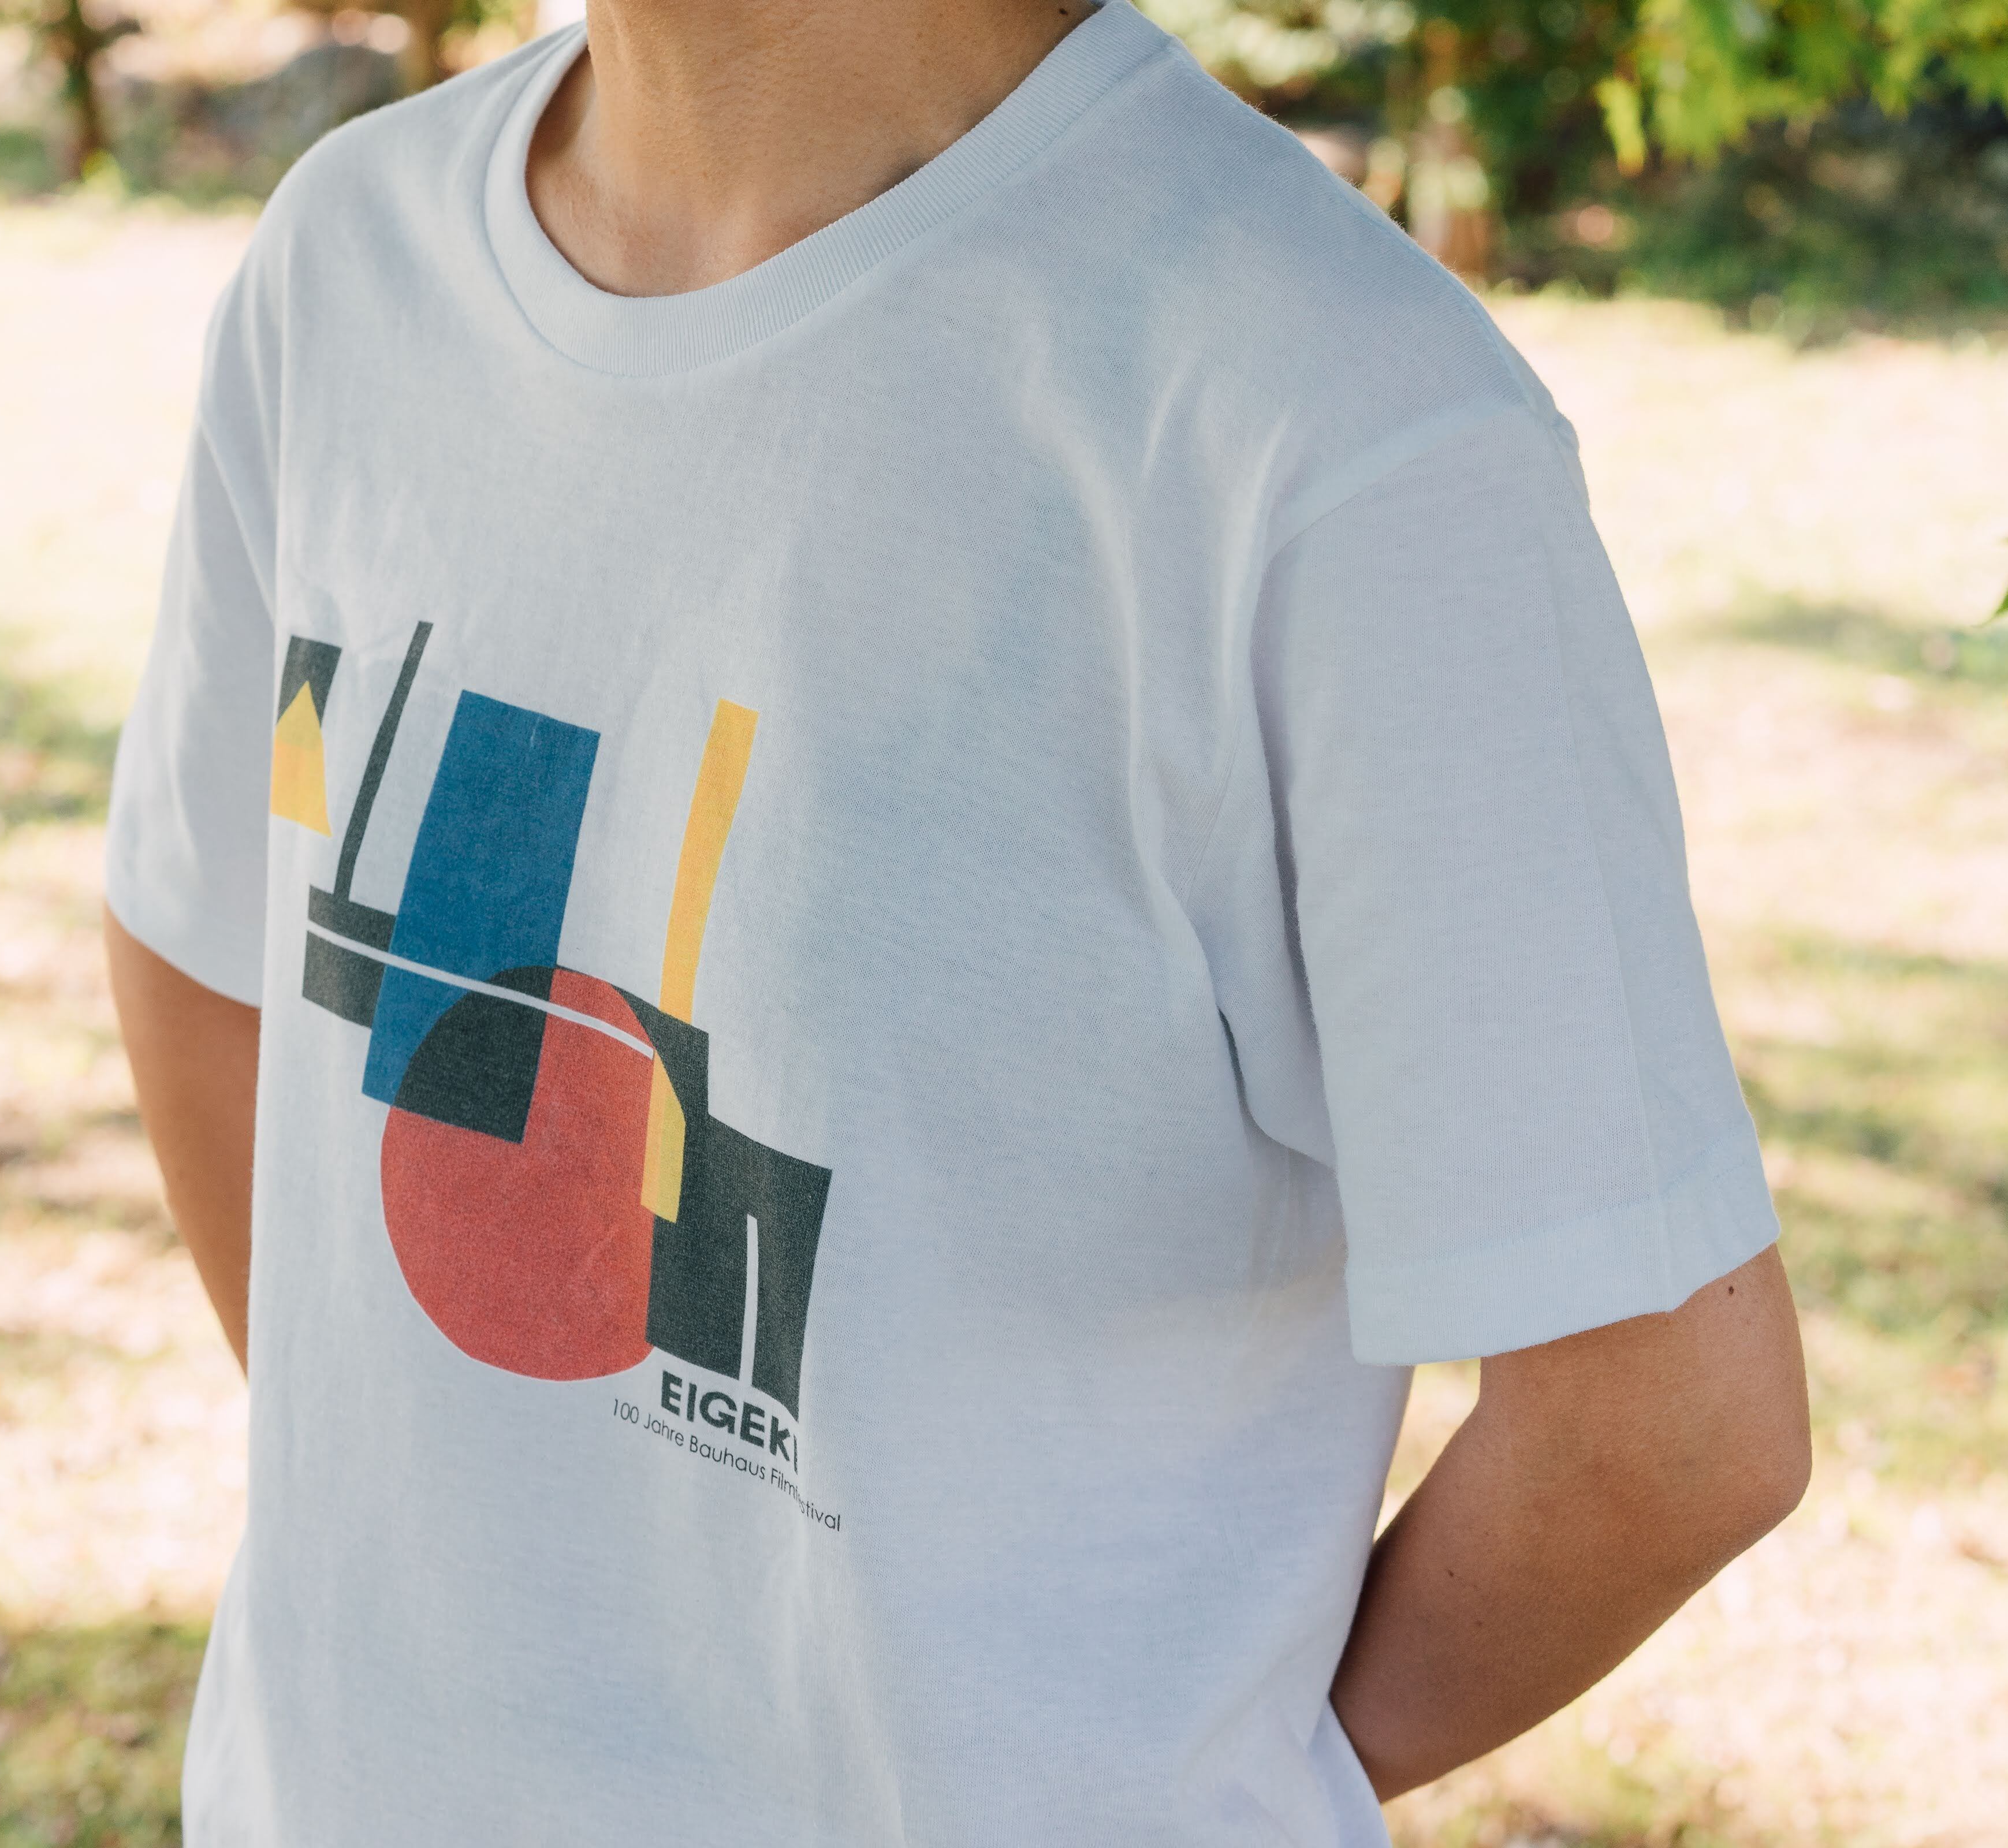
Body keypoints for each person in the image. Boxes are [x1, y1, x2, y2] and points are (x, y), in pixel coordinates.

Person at [100, 0, 1813, 1838]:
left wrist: (1179, 1774)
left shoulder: (1340, 428)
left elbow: (1666, 1426)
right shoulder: (349, 258)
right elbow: (203, 960)